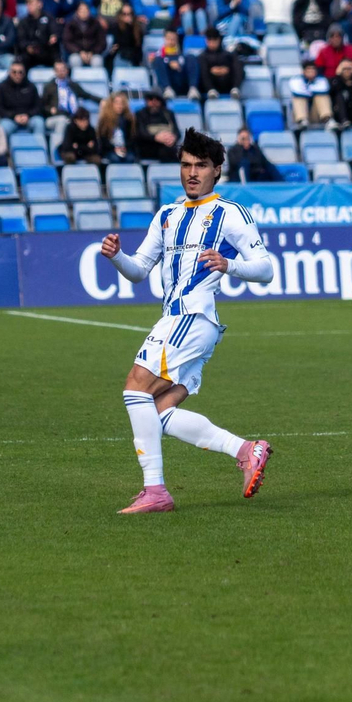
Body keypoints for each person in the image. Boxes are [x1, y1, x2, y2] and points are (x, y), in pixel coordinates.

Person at [96, 127, 276, 515]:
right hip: (183, 321)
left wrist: (229, 265)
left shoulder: (230, 213)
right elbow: (139, 270)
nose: (192, 173)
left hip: (191, 316)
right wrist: (116, 257)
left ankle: (155, 491)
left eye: (201, 166)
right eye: (186, 165)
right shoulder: (168, 215)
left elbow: (266, 269)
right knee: (159, 412)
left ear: (217, 170)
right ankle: (246, 449)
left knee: (135, 388)